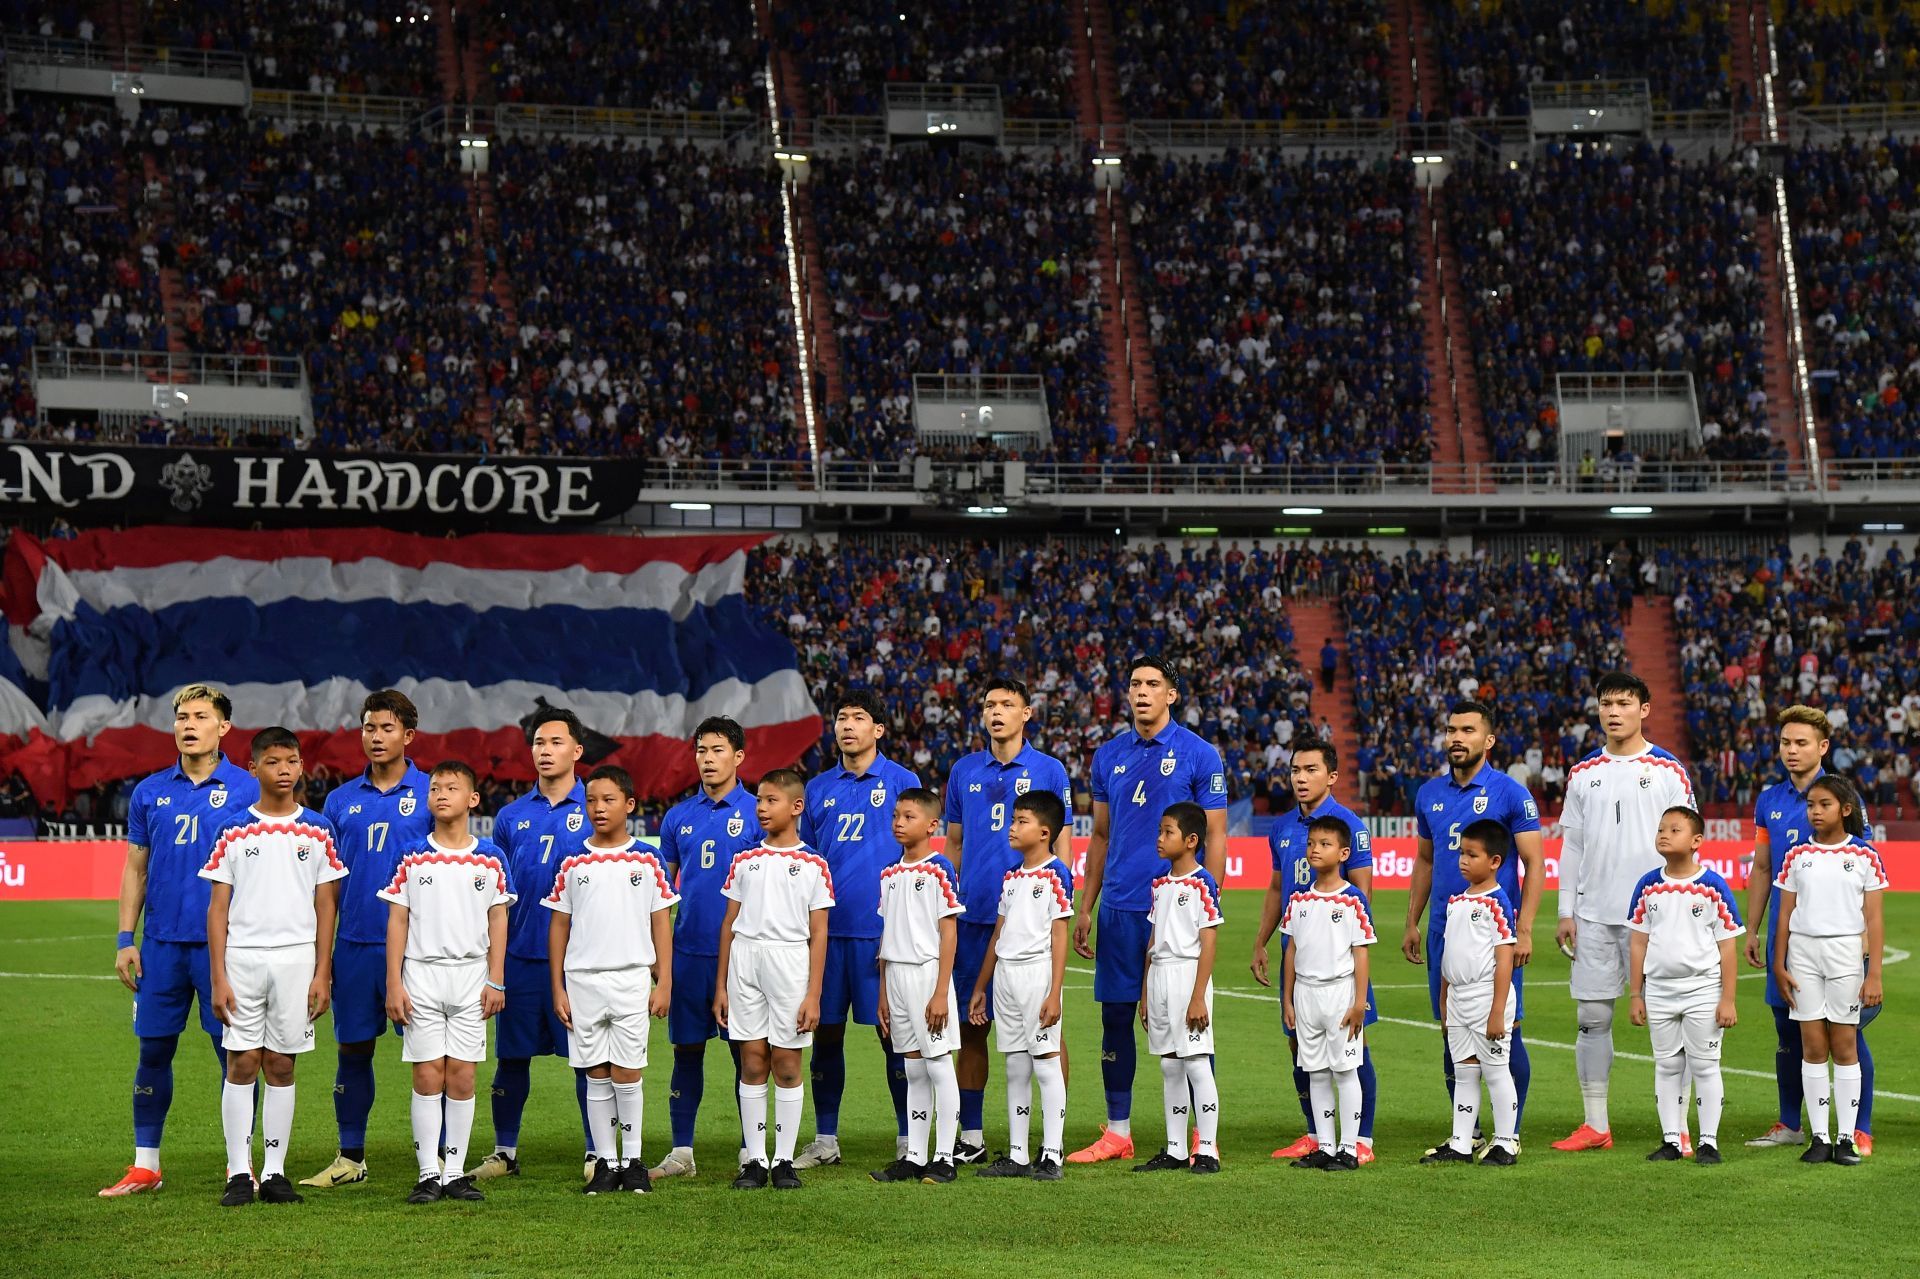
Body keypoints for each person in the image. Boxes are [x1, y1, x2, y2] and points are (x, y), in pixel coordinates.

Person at [102, 684, 261, 1198]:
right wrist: (127, 937)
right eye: (181, 717)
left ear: (224, 727)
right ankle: (145, 1164)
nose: (188, 724)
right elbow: (136, 867)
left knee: (233, 1056)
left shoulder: (248, 789)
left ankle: (240, 1165)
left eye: (200, 716)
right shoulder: (150, 791)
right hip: (162, 947)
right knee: (153, 1052)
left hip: (228, 949)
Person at [1070, 658, 1227, 1163]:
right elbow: (1099, 835)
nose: (1141, 692)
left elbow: (1217, 836)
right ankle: (1118, 1131)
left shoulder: (1199, 755)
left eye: (1152, 685)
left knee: (1190, 1023)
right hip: (1119, 905)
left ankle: (1201, 1140)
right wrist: (1086, 906)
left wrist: (1208, 904)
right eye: (1135, 684)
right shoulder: (1108, 755)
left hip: (1177, 911)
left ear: (1171, 695)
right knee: (1116, 1017)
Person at [1553, 671, 1697, 1153]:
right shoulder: (1582, 773)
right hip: (1593, 914)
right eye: (1605, 703)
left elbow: (1687, 841)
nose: (1613, 711)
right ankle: (1596, 1124)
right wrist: (1565, 910)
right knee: (1592, 1016)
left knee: (1670, 1019)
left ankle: (1676, 1127)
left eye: (1623, 703)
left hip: (1656, 916)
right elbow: (1571, 845)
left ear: (1645, 709)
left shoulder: (1668, 771)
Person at [201, 727, 346, 1206]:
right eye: (273, 762)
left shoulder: (319, 829)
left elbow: (327, 906)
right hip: (242, 961)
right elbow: (218, 909)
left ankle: (276, 1171)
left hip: (296, 961)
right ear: (253, 768)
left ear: (301, 766)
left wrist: (322, 972)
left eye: (291, 761)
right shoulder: (234, 829)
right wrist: (218, 975)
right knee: (242, 1062)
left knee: (282, 1065)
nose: (284, 770)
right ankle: (239, 1174)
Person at [303, 689, 432, 1189]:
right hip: (355, 946)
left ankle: (439, 1160)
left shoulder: (430, 792)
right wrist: (323, 961)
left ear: (408, 735)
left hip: (419, 949)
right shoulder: (338, 801)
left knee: (430, 1056)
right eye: (368, 728)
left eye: (386, 728)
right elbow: (326, 888)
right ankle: (350, 1157)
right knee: (353, 1050)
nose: (375, 737)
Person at [942, 677, 1072, 1164]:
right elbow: (954, 842)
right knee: (971, 1027)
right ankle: (972, 1137)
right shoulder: (963, 770)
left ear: (1027, 713)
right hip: (976, 915)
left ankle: (1050, 1140)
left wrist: (1063, 895)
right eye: (989, 704)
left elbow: (1060, 842)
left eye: (1007, 705)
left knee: (1047, 1030)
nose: (996, 712)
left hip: (1032, 919)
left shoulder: (1049, 769)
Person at [1401, 700, 1543, 1145]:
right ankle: (1469, 1132)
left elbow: (1535, 864)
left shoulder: (1510, 793)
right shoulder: (1429, 794)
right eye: (1450, 730)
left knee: (1506, 1030)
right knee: (1452, 1028)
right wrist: (1412, 921)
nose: (1456, 738)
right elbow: (1424, 861)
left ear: (1488, 740)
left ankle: (1509, 1134)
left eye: (1467, 730)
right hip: (1446, 929)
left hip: (1494, 933)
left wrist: (1525, 929)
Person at [793, 690, 921, 1169]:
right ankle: (826, 1138)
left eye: (859, 718)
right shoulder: (819, 788)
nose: (848, 725)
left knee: (894, 1037)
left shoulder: (902, 781)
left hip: (882, 935)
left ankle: (909, 1135)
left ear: (879, 729)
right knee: (825, 1035)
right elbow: (804, 859)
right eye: (842, 718)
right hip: (826, 933)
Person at [378, 759, 514, 1205]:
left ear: (472, 799)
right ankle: (427, 1174)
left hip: (471, 977)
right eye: (434, 787)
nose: (440, 794)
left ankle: (455, 1173)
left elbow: (498, 921)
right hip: (421, 975)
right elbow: (397, 920)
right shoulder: (412, 855)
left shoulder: (490, 857)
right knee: (426, 1075)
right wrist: (394, 983)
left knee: (462, 1076)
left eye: (451, 787)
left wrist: (496, 980)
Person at [1743, 705, 1877, 1155]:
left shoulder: (1844, 797)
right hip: (1791, 939)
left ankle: (1859, 1127)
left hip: (1837, 942)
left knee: (1847, 1032)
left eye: (1802, 743)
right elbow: (1762, 867)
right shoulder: (1769, 800)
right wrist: (1752, 929)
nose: (1792, 751)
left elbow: (1864, 870)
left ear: (1823, 747)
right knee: (1789, 1030)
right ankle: (1791, 1123)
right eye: (1786, 742)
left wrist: (1863, 945)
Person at [545, 765, 677, 1195]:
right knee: (595, 1073)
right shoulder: (572, 860)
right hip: (582, 980)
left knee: (627, 1071)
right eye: (591, 801)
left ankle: (633, 1161)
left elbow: (661, 922)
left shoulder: (647, 859)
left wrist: (664, 981)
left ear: (630, 805)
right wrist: (558, 987)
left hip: (631, 978)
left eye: (608, 800)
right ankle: (605, 1163)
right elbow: (559, 927)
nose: (598, 809)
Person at [476, 709, 595, 1181]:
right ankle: (504, 1151)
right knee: (511, 1058)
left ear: (577, 751)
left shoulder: (596, 805)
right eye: (539, 743)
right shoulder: (510, 816)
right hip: (522, 955)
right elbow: (499, 895)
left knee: (587, 1061)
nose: (545, 751)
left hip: (581, 960)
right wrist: (495, 965)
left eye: (556, 742)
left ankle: (595, 1151)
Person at [1251, 740, 1378, 1163]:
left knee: (1354, 1050)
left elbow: (1363, 894)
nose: (1300, 778)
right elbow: (1274, 889)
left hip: (1338, 958)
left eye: (1310, 770)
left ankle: (1361, 1141)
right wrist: (1261, 942)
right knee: (1301, 1048)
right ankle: (1317, 1135)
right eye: (1295, 770)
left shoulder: (1349, 826)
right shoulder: (1283, 828)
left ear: (1332, 776)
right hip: (1298, 956)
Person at [651, 717, 762, 1181]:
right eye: (701, 751)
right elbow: (660, 891)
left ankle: (750, 1151)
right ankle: (682, 1153)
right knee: (686, 1051)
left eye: (717, 750)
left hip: (742, 954)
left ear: (738, 756)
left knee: (748, 1055)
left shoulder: (760, 812)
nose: (708, 759)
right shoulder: (678, 817)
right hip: (689, 952)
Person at [716, 768, 833, 1191]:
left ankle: (783, 1159)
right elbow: (729, 924)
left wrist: (814, 994)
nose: (762, 808)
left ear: (796, 807)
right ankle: (755, 1159)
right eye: (759, 801)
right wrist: (721, 987)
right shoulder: (744, 861)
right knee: (751, 1061)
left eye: (771, 800)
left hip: (790, 963)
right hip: (746, 962)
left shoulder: (813, 864)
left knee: (786, 1064)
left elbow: (819, 933)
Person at [1772, 775, 1886, 1166]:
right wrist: (1778, 963)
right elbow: (1784, 914)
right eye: (1811, 805)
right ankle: (1819, 1138)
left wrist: (1874, 975)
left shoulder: (1865, 856)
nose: (1815, 812)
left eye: (1824, 805)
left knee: (1844, 1046)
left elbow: (1874, 919)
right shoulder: (1796, 856)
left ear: (1846, 810)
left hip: (1845, 955)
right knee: (1813, 1047)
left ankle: (1845, 1139)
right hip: (1802, 956)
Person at [1626, 806, 1741, 1165]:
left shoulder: (1712, 886)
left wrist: (1728, 999)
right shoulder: (1647, 885)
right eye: (1661, 828)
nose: (1663, 834)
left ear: (1696, 842)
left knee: (1705, 1066)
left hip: (1702, 990)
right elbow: (1638, 943)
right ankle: (1671, 1140)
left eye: (1674, 829)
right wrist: (1635, 994)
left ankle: (1708, 1141)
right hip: (1659, 990)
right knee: (1666, 1066)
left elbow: (1728, 947)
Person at [968, 791, 1074, 1181]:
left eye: (1021, 821)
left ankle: (1051, 1153)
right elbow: (1000, 932)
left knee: (1046, 1063)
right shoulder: (1012, 877)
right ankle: (1017, 1153)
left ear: (1045, 832)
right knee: (1014, 1065)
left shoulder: (1057, 873)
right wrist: (982, 984)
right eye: (1013, 820)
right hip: (1006, 977)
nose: (1012, 827)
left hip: (1037, 974)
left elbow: (1059, 935)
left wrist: (1054, 990)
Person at [870, 790, 965, 1184]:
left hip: (928, 977)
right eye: (896, 815)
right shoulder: (889, 873)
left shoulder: (939, 869)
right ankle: (914, 1155)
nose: (898, 822)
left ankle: (944, 1157)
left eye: (908, 816)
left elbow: (949, 933)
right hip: (896, 979)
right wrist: (882, 992)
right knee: (913, 1070)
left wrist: (941, 991)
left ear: (931, 825)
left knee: (939, 1065)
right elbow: (886, 937)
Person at [1420, 820, 1521, 1166]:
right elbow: (1450, 954)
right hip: (1459, 999)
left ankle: (1506, 1141)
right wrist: (1445, 999)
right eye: (1462, 852)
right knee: (1464, 1070)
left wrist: (1497, 1011)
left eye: (1472, 854)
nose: (1463, 860)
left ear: (1494, 861)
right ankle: (1462, 1142)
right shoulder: (1456, 902)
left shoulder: (1497, 903)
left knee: (1495, 1069)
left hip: (1485, 997)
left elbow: (1504, 959)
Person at [1279, 815, 1374, 1172]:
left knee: (1346, 1071)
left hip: (1339, 994)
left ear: (1344, 852)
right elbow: (1291, 950)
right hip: (1306, 995)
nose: (1315, 849)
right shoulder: (1299, 898)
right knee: (1316, 1072)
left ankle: (1349, 1148)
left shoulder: (1353, 900)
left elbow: (1360, 952)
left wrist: (1358, 1002)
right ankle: (1326, 1144)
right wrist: (1288, 999)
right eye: (1311, 844)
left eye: (1325, 844)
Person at [1133, 802, 1223, 1175]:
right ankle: (1173, 1147)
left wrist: (1198, 994)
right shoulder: (1161, 885)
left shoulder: (1203, 883)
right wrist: (1144, 993)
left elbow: (1209, 940)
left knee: (1197, 1063)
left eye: (1167, 832)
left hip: (1188, 977)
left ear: (1190, 841)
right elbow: (1153, 940)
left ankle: (1206, 1150)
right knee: (1170, 1066)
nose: (1160, 838)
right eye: (1159, 831)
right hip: (1161, 979)